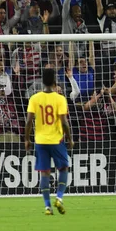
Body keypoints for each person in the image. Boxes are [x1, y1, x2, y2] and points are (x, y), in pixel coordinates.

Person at [24, 68, 74, 216]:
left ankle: (47, 207)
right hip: (56, 140)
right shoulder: (60, 99)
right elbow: (64, 122)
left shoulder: (34, 98)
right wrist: (70, 139)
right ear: (54, 81)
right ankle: (59, 198)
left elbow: (28, 122)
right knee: (63, 169)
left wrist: (27, 139)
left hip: (40, 141)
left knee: (44, 173)